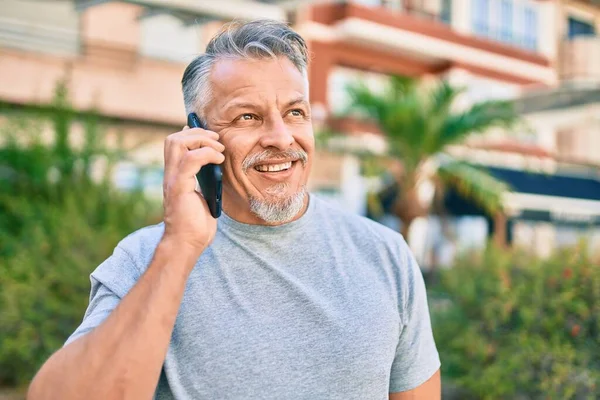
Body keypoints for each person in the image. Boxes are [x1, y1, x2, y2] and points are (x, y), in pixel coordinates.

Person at [27, 20, 441, 400]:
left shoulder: (386, 255)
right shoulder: (145, 261)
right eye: (248, 117)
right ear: (198, 136)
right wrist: (180, 248)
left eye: (295, 112)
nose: (281, 138)